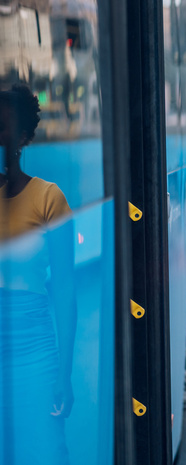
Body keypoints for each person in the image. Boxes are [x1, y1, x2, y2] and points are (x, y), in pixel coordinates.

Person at [0, 83, 75, 464]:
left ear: (25, 137)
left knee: (43, 449)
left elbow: (65, 291)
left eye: (7, 127)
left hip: (34, 346)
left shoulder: (49, 198)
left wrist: (64, 374)